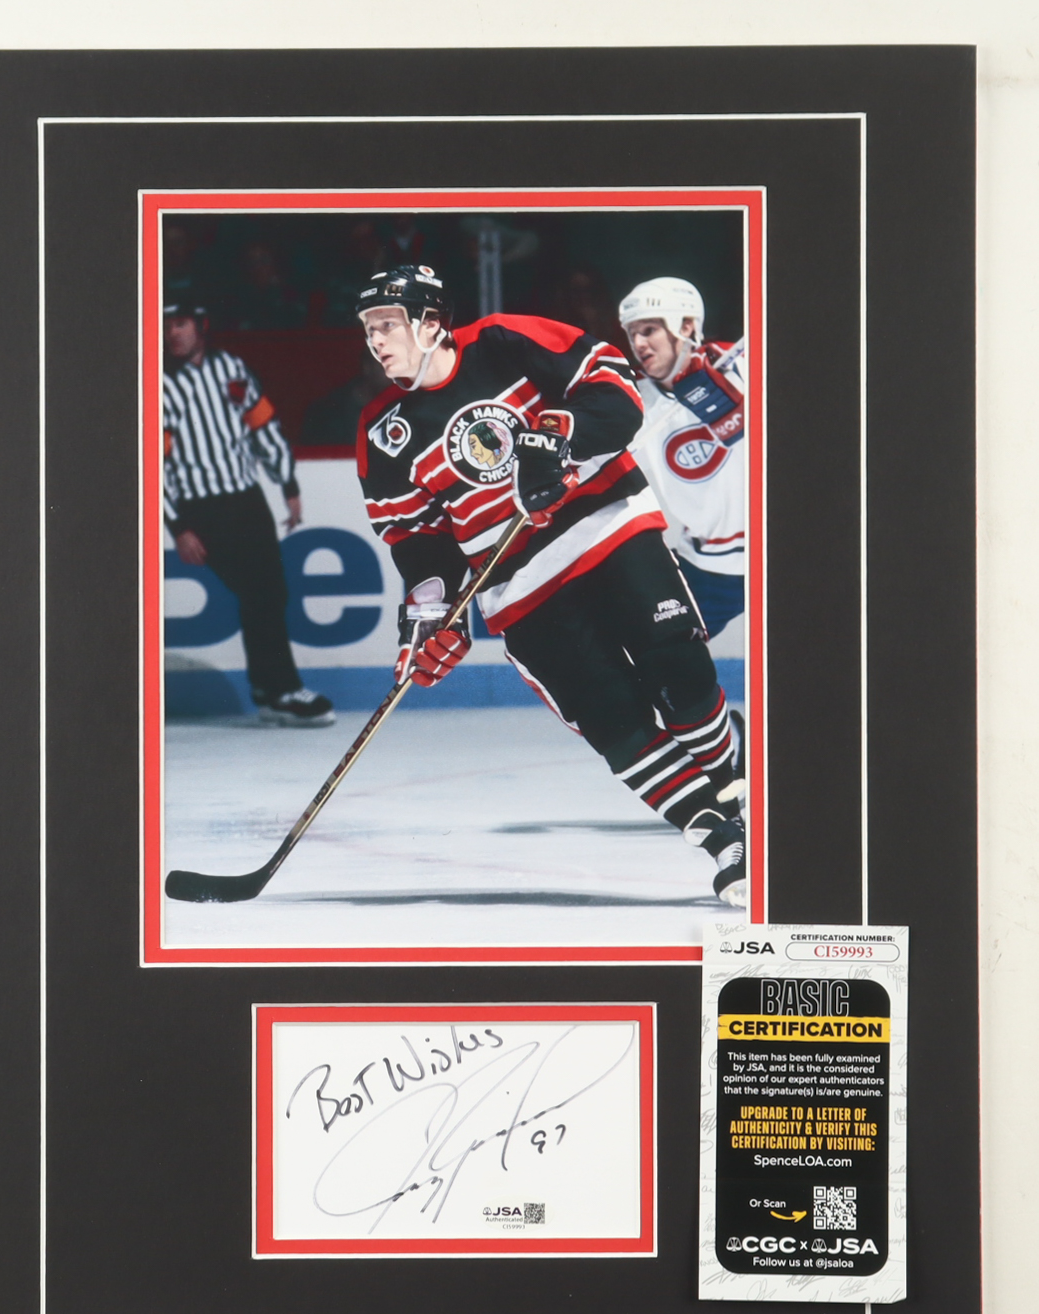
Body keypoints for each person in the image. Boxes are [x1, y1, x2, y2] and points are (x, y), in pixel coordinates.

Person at [354, 265, 746, 907]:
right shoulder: (382, 432)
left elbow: (614, 393)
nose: (376, 340)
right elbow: (421, 543)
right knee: (612, 720)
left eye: (388, 324)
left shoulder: (502, 340)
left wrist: (558, 440)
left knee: (678, 668)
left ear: (430, 322)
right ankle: (724, 838)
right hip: (519, 590)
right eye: (369, 328)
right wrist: (430, 616)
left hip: (609, 528)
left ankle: (731, 779)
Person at [162, 297, 334, 726]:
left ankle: (268, 688)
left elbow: (263, 427)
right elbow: (154, 464)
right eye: (166, 325)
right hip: (203, 507)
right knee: (260, 593)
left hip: (247, 498)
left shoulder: (232, 370)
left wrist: (288, 484)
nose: (172, 333)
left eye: (180, 323)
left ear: (201, 325)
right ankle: (283, 689)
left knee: (269, 593)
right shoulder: (158, 385)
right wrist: (178, 526)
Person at [618, 277, 745, 639]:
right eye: (632, 334)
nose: (639, 343)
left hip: (787, 553)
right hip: (712, 569)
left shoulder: (745, 366)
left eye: (649, 330)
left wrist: (742, 407)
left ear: (686, 326)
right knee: (654, 651)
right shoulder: (634, 403)